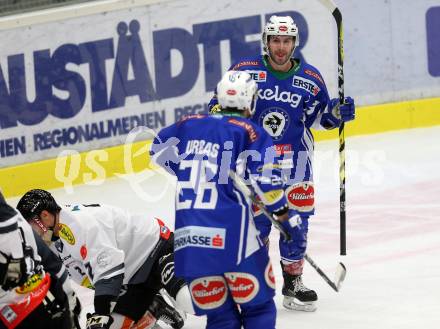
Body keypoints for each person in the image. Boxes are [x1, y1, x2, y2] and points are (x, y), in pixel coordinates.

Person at [208, 15, 356, 312]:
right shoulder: (244, 72)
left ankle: (293, 282)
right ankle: (252, 282)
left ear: (294, 43)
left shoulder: (311, 80)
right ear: (266, 42)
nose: (280, 46)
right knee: (257, 226)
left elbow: (322, 119)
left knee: (297, 224)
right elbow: (216, 105)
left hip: (297, 162)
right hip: (254, 161)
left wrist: (337, 114)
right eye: (275, 40)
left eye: (286, 40)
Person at [150, 70, 299, 329]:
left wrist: (185, 169)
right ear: (250, 100)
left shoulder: (189, 124)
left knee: (220, 318)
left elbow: (157, 148)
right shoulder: (251, 132)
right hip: (234, 242)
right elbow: (268, 184)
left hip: (190, 245)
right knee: (259, 308)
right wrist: (285, 218)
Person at [16, 189, 193, 329]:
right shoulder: (54, 241)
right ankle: (154, 306)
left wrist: (101, 312)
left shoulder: (81, 224)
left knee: (189, 299)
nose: (32, 234)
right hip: (134, 279)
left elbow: (109, 272)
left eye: (31, 226)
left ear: (45, 216)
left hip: (158, 250)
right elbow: (84, 280)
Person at [1, 191, 79, 329]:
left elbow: (15, 272)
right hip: (48, 304)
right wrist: (70, 300)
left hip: (22, 314)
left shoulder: (11, 225)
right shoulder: (18, 221)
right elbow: (54, 266)